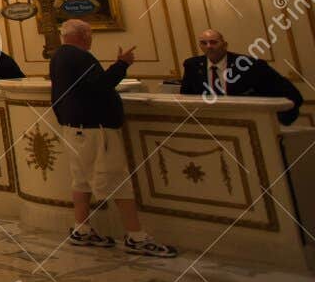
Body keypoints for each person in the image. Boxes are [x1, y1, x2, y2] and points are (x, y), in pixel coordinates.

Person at [49, 20, 175, 257]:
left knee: (81, 180)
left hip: (73, 127)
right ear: (85, 36)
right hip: (95, 129)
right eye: (90, 35)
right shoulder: (80, 57)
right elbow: (100, 86)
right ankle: (136, 235)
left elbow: (59, 94)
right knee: (116, 180)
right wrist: (122, 65)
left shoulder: (58, 57)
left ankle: (82, 228)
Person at [179, 29, 304, 126]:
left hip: (249, 122)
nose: (209, 46)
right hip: (210, 124)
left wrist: (278, 121)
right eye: (204, 43)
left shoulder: (250, 65)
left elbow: (292, 95)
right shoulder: (192, 66)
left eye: (213, 42)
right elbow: (186, 97)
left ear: (225, 44)